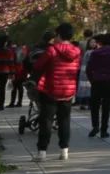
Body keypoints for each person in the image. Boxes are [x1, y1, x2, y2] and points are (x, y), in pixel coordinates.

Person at [32, 23, 82, 162]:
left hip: (50, 90)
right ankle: (64, 151)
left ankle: (42, 152)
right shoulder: (77, 51)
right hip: (68, 90)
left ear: (59, 35)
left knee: (46, 121)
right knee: (64, 120)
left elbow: (38, 65)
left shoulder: (52, 50)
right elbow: (76, 68)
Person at [86, 33, 110, 138]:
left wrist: (92, 80)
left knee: (95, 105)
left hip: (97, 80)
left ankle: (95, 126)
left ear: (101, 42)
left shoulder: (95, 53)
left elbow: (89, 69)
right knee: (106, 106)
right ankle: (104, 130)